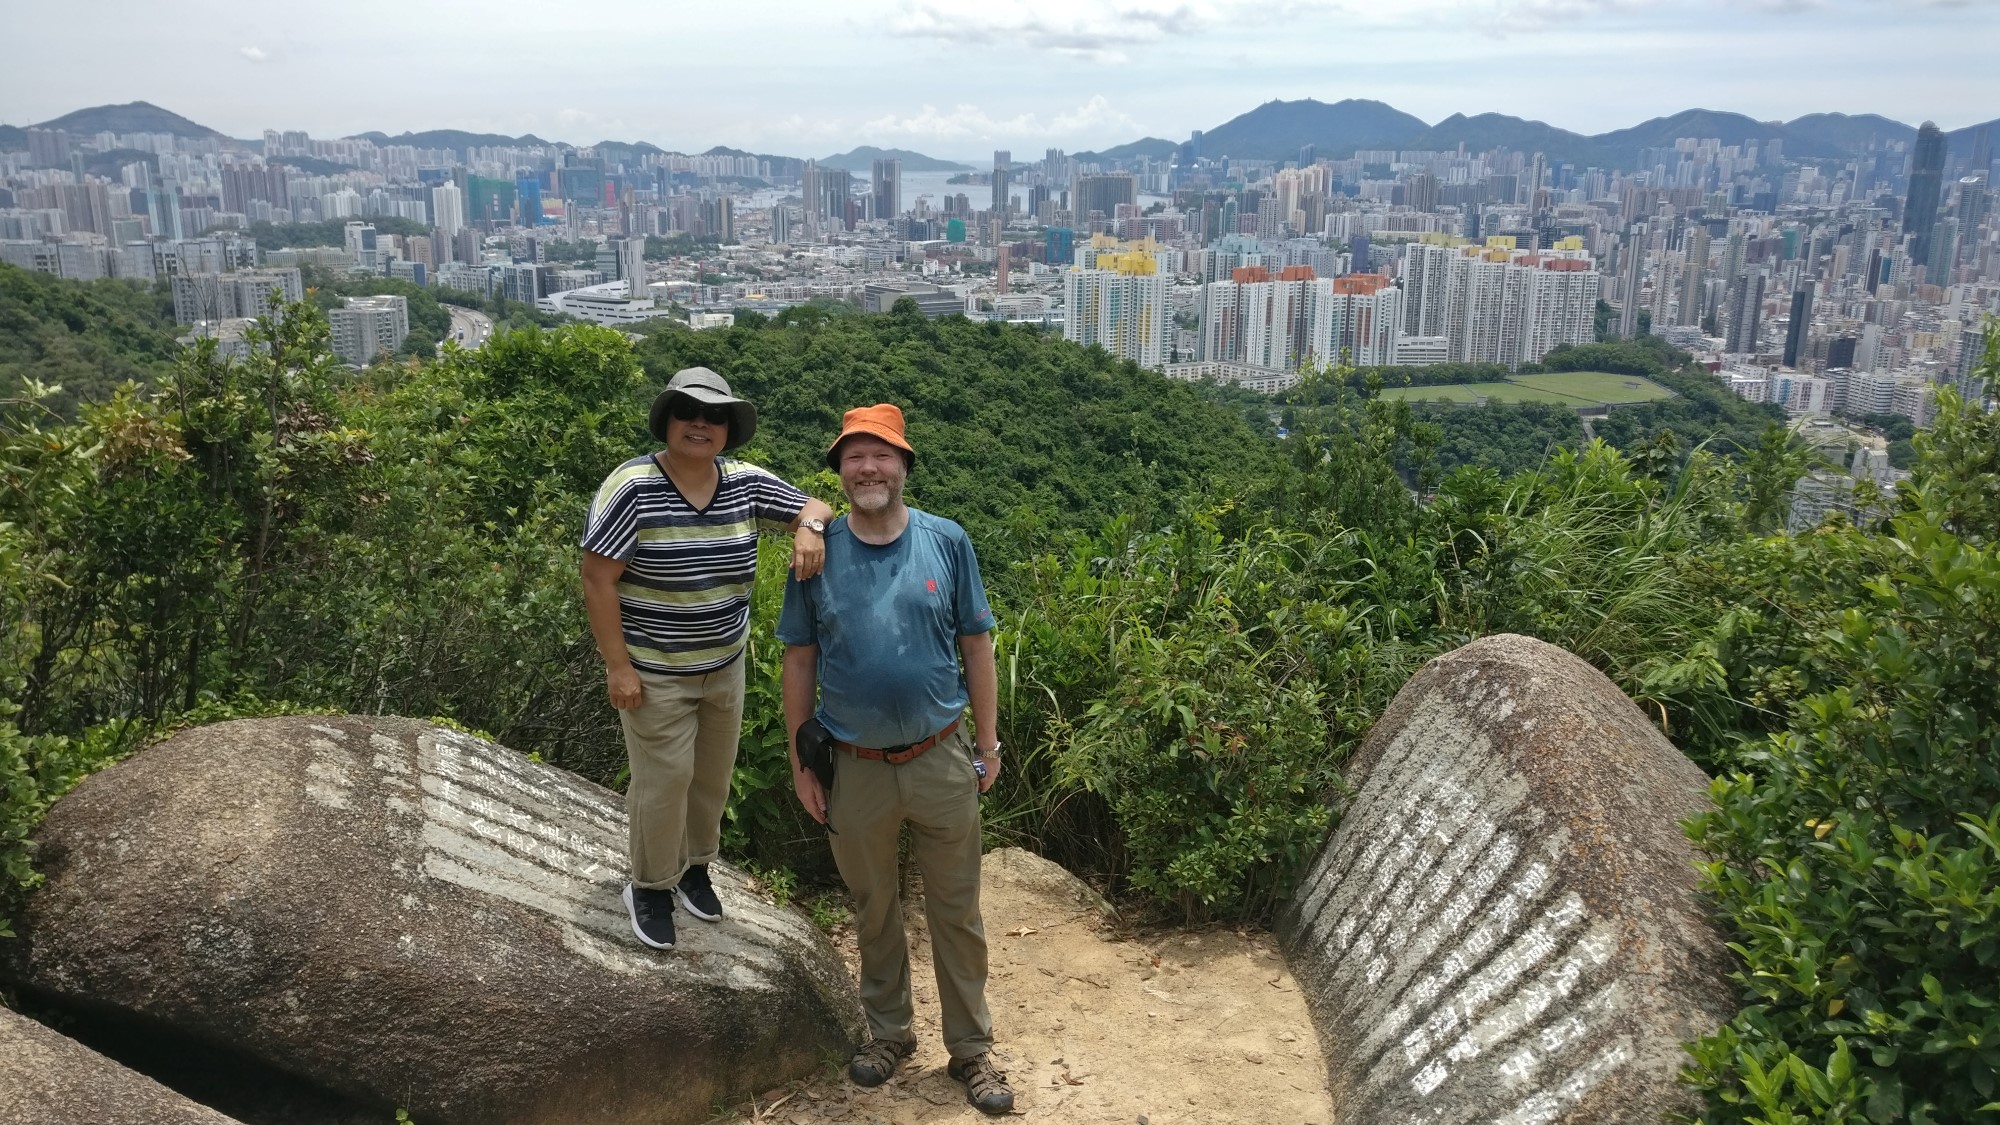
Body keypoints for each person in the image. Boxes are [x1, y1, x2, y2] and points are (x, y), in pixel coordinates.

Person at [777, 404, 1014, 1116]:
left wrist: (989, 740)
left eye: (882, 455)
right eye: (854, 457)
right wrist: (800, 761)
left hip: (942, 755)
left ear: (905, 466)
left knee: (957, 910)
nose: (869, 468)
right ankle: (889, 1033)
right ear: (841, 471)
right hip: (855, 764)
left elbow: (977, 644)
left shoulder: (947, 541)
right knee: (873, 904)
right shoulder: (816, 552)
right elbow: (798, 659)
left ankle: (970, 1047)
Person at [581, 366, 835, 951]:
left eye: (714, 415)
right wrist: (618, 668)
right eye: (688, 412)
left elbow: (813, 504)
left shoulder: (743, 483)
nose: (701, 423)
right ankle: (649, 885)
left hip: (724, 663)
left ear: (728, 429)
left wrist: (811, 529)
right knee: (664, 780)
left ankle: (696, 869)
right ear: (667, 419)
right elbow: (598, 580)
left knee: (711, 779)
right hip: (654, 669)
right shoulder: (633, 488)